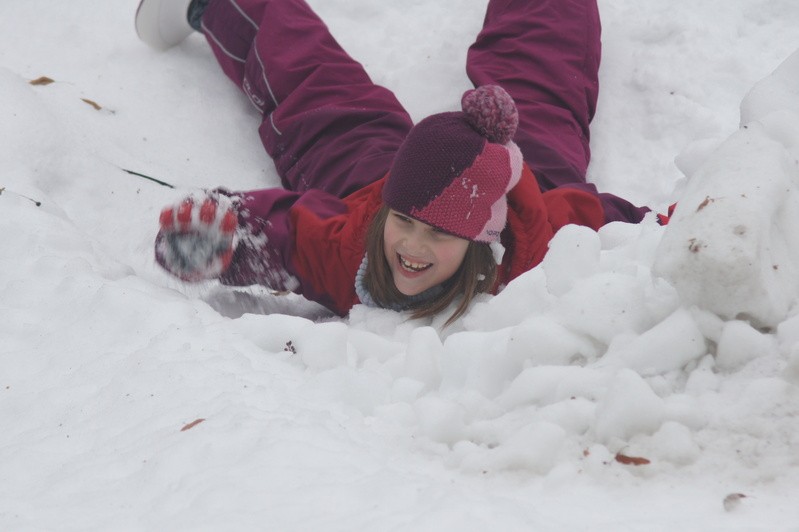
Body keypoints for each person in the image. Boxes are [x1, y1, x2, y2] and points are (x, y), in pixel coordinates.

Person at [137, 0, 649, 325]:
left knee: (539, 76)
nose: (412, 246)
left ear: (480, 242)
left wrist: (675, 226)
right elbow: (291, 237)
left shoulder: (540, 250)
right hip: (373, 178)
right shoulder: (358, 251)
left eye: (440, 234)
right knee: (321, 97)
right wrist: (221, 238)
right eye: (405, 222)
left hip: (522, 182)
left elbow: (606, 222)